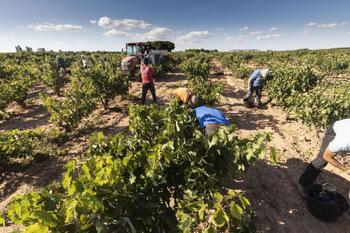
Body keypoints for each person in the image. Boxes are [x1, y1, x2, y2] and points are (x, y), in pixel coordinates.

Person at [298, 118, 350, 197]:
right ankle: (303, 184)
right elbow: (327, 156)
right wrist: (345, 170)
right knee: (321, 161)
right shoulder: (344, 141)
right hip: (334, 131)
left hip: (344, 128)